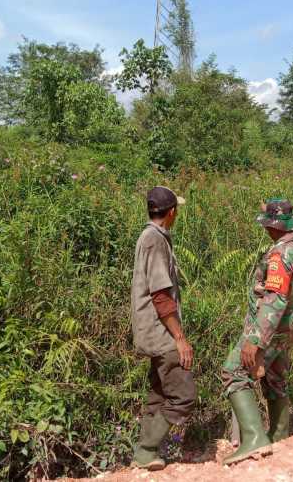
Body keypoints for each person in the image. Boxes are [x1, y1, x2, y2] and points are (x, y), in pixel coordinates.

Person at [221, 198, 293, 465]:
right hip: (287, 329)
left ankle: (254, 439)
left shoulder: (280, 255)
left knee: (234, 372)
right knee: (275, 378)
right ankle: (279, 436)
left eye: (268, 225)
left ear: (274, 227)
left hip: (269, 329)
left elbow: (275, 299)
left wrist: (256, 341)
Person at [130, 186, 196, 470]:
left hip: (151, 331)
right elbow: (160, 295)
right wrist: (179, 338)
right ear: (171, 213)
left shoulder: (151, 237)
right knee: (183, 394)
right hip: (161, 332)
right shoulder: (154, 240)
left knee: (158, 393)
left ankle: (144, 455)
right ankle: (146, 449)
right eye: (176, 210)